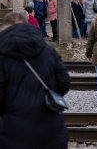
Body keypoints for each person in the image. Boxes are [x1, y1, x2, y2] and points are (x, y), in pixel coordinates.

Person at [0, 12, 70, 149]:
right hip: (51, 128)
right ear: (26, 24)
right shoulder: (48, 49)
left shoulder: (2, 54)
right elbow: (64, 82)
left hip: (13, 132)